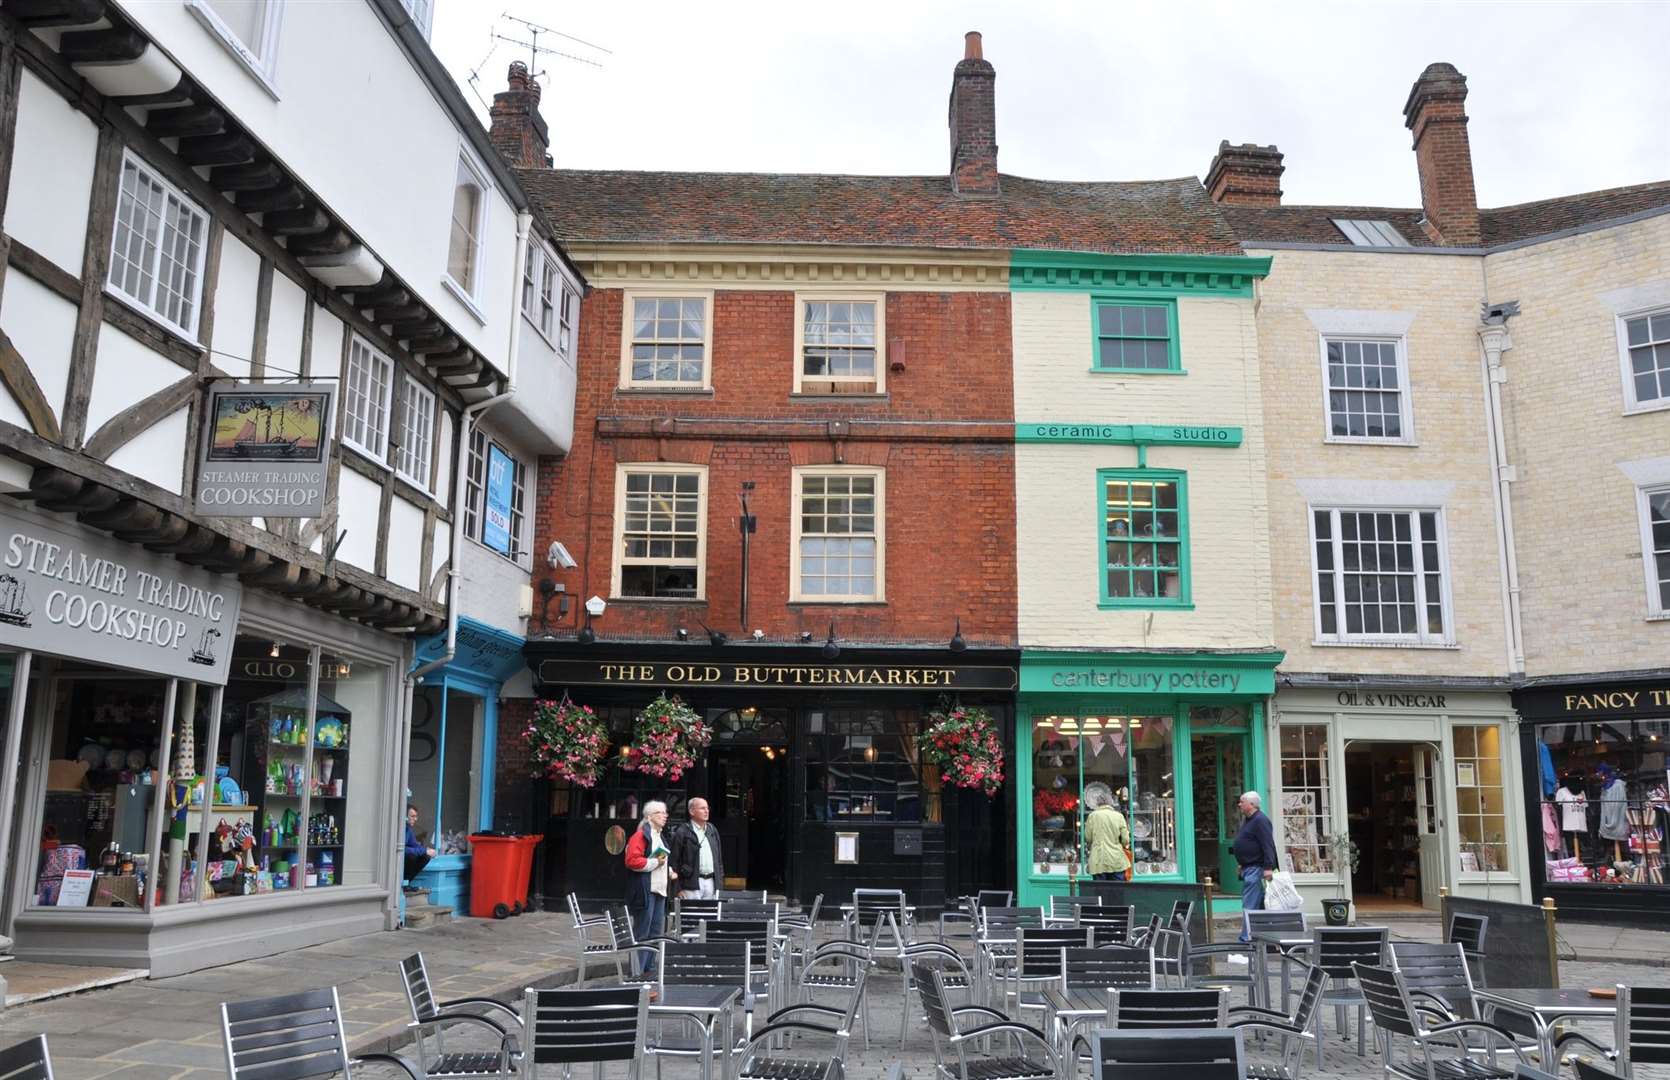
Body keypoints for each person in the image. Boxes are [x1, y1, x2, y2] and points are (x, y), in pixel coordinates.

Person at [623, 800, 676, 974]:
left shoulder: (659, 836)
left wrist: (668, 871)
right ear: (649, 817)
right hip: (646, 892)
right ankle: (637, 971)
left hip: (660, 891)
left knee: (656, 932)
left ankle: (648, 968)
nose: (665, 815)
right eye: (660, 813)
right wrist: (655, 862)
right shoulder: (640, 835)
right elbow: (631, 861)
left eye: (665, 812)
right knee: (642, 932)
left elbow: (660, 860)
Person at [1232, 790, 1278, 941]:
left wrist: (1268, 868)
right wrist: (1241, 863)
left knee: (1250, 905)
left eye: (1242, 801)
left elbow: (1268, 845)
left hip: (1256, 869)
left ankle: (1246, 938)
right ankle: (1260, 937)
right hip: (1249, 868)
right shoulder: (1249, 820)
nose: (1239, 804)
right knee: (1258, 906)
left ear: (1251, 804)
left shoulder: (1260, 820)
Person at [670, 797, 725, 900]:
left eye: (707, 808)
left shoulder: (712, 830)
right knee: (691, 914)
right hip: (691, 884)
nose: (706, 811)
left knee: (710, 915)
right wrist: (677, 888)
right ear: (692, 811)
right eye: (702, 808)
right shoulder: (682, 832)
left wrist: (720, 883)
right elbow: (674, 862)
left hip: (711, 882)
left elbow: (719, 860)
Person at [1083, 789, 1131, 881]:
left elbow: (1088, 838)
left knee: (1100, 892)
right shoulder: (1119, 816)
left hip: (1098, 860)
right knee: (1118, 891)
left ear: (1097, 803)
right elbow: (1126, 840)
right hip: (1116, 859)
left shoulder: (1092, 816)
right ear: (1111, 803)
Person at [403, 804, 435, 888]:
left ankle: (406, 883)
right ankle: (403, 883)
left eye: (416, 816)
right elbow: (402, 849)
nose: (415, 819)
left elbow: (414, 844)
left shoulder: (408, 828)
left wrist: (426, 850)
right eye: (412, 816)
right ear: (405, 816)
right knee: (411, 857)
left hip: (402, 860)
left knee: (426, 857)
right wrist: (424, 851)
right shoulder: (399, 828)